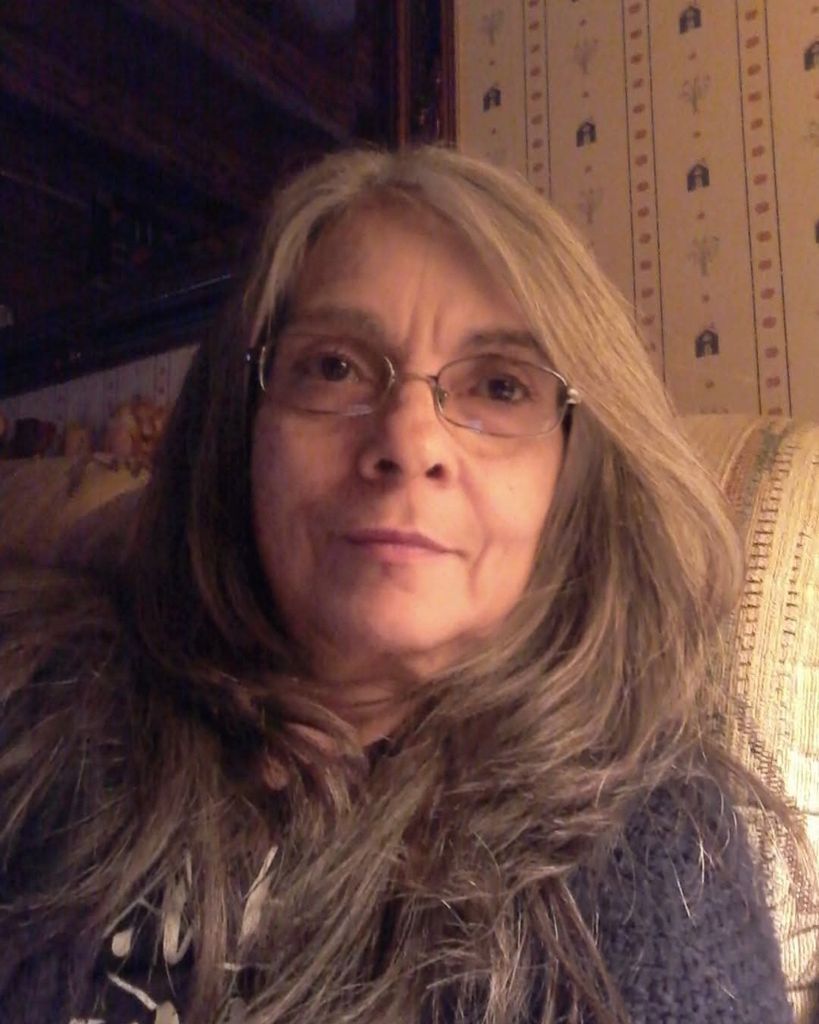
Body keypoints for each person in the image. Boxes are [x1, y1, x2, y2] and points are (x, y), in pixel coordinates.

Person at [0, 146, 804, 1024]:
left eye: (500, 386)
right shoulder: (46, 696)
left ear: (573, 474)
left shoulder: (654, 847)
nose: (409, 441)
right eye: (334, 367)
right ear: (242, 427)